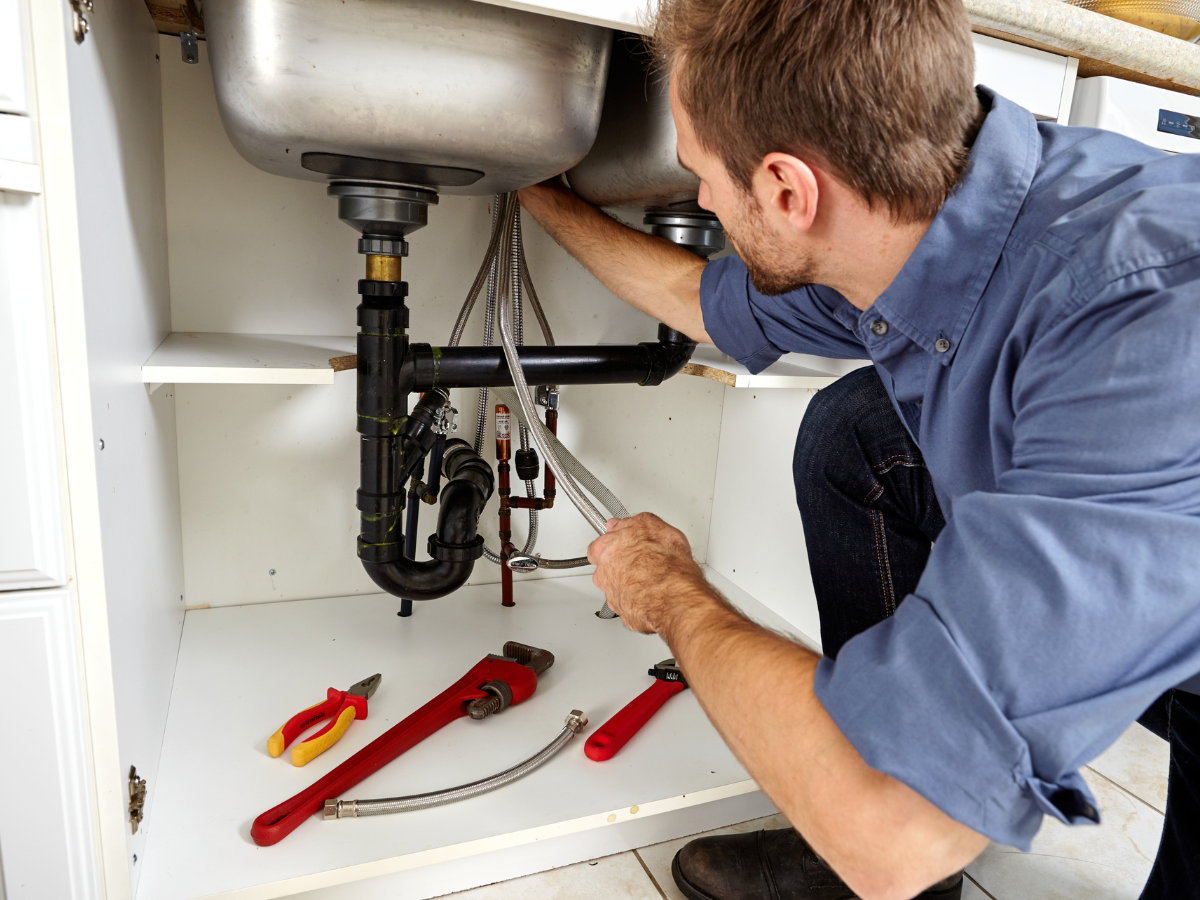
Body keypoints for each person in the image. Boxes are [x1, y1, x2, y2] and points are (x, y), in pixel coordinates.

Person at [516, 0, 1200, 898]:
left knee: (898, 827)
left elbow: (896, 836)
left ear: (791, 191)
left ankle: (873, 780)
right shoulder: (925, 212)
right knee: (859, 434)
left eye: (701, 174)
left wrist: (675, 597)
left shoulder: (1144, 311)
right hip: (1164, 561)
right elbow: (700, 301)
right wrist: (535, 195)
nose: (701, 200)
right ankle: (877, 762)